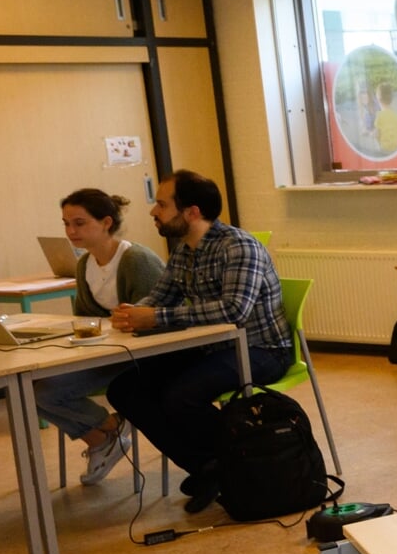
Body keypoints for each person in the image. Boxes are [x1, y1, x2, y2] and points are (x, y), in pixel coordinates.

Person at [106, 171, 293, 514]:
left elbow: (234, 310)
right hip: (214, 348)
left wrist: (157, 317)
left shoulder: (239, 246)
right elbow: (160, 297)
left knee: (181, 396)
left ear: (191, 212)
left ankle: (237, 461)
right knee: (124, 389)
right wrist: (132, 313)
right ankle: (210, 466)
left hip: (262, 350)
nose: (153, 212)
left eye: (162, 204)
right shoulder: (184, 252)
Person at [32, 189, 165, 485]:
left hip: (141, 356)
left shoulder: (135, 260)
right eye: (66, 223)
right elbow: (84, 318)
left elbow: (152, 323)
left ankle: (109, 430)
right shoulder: (84, 265)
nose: (70, 231)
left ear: (106, 222)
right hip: (110, 351)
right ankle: (104, 435)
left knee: (48, 392)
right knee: (31, 390)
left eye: (79, 223)